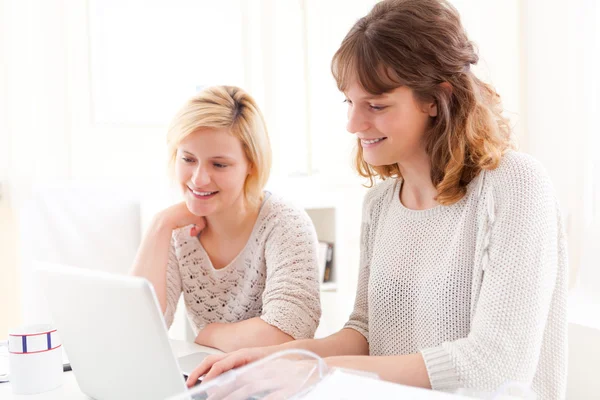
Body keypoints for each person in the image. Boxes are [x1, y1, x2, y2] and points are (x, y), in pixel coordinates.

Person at [186, 1, 568, 398]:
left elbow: (494, 364)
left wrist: (320, 371)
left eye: (377, 105)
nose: (353, 124)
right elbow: (366, 333)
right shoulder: (382, 204)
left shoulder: (515, 186)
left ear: (437, 99)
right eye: (350, 102)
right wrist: (275, 357)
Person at [131, 85, 322, 352]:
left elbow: (289, 333)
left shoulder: (284, 223)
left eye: (219, 164)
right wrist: (160, 225)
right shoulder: (177, 229)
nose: (198, 179)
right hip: (215, 381)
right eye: (188, 159)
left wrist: (211, 334)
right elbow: (138, 329)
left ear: (251, 165)